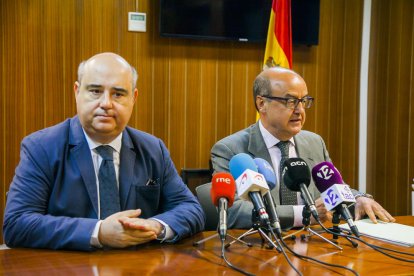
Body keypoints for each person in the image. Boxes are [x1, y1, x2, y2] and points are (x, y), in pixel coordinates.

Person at [3, 52, 205, 251]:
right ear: (76, 91)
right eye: (95, 91)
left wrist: (156, 226)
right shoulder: (42, 147)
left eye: (118, 93)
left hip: (137, 268)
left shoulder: (153, 149)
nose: (106, 103)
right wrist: (98, 232)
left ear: (134, 98)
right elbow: (17, 223)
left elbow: (190, 209)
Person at [211, 66, 395, 229]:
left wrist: (358, 198)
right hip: (261, 249)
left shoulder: (314, 143)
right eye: (290, 101)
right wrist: (304, 214)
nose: (300, 110)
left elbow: (333, 189)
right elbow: (233, 211)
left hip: (314, 245)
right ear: (262, 104)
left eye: (304, 101)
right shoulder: (231, 149)